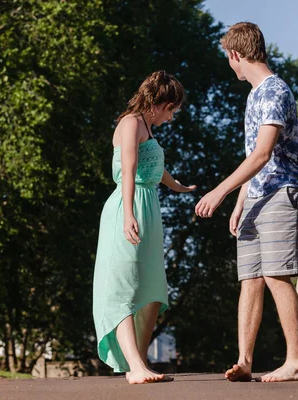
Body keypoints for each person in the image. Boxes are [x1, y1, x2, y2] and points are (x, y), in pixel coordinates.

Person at [195, 22, 298, 383]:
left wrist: (221, 191)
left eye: (227, 59)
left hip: (282, 194)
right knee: (250, 279)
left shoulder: (274, 90)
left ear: (236, 54)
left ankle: (296, 363)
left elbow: (263, 154)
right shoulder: (254, 95)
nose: (229, 66)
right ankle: (244, 360)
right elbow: (254, 157)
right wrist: (242, 200)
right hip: (258, 197)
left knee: (278, 276)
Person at [93, 71, 196, 384]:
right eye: (172, 110)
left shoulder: (147, 128)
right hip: (128, 207)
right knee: (123, 286)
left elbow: (155, 166)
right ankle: (135, 368)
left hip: (149, 209)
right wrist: (128, 214)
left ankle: (138, 362)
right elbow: (129, 169)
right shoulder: (130, 123)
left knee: (152, 290)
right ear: (160, 103)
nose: (171, 117)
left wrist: (177, 186)